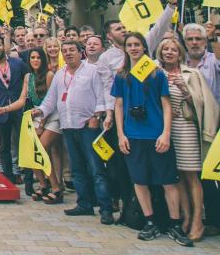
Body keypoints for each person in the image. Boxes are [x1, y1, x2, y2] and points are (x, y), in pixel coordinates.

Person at [113, 32, 192, 246]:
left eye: (137, 44)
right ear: (125, 48)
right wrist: (121, 134)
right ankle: (149, 221)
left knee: (168, 181)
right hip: (133, 135)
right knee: (140, 181)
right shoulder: (121, 74)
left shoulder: (156, 73)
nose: (133, 48)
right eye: (129, 45)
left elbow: (166, 104)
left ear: (144, 47)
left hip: (156, 134)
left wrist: (165, 133)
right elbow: (118, 105)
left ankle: (175, 223)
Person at [32, 40, 114, 224]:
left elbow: (101, 95)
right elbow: (51, 99)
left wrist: (97, 116)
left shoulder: (92, 71)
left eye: (72, 50)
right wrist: (40, 110)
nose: (68, 53)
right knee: (77, 169)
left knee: (96, 169)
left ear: (80, 52)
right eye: (65, 51)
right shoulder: (60, 75)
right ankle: (84, 204)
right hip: (68, 126)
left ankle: (106, 208)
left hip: (88, 126)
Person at [156, 38, 217, 242]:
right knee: (176, 176)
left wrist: (185, 91)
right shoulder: (156, 74)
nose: (169, 53)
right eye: (166, 49)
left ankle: (198, 220)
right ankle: (185, 216)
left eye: (174, 49)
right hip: (166, 130)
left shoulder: (192, 73)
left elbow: (204, 103)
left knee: (191, 175)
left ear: (180, 53)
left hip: (187, 128)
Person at [0, 35, 27, 183]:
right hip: (0, 110)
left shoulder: (18, 63)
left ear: (4, 46)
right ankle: (8, 177)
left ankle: (26, 176)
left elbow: (28, 81)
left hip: (19, 108)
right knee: (4, 145)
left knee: (23, 142)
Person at [20, 48, 61, 201]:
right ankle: (44, 185)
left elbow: (50, 102)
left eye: (38, 57)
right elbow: (22, 99)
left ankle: (56, 188)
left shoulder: (50, 75)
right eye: (32, 57)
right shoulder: (28, 77)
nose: (35, 60)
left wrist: (41, 125)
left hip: (52, 116)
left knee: (41, 148)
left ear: (43, 60)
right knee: (30, 151)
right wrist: (3, 109)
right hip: (36, 116)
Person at [182, 23, 220, 102]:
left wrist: (212, 38)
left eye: (198, 39)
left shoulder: (214, 59)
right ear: (185, 43)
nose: (194, 42)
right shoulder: (179, 62)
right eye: (190, 39)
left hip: (212, 112)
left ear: (206, 42)